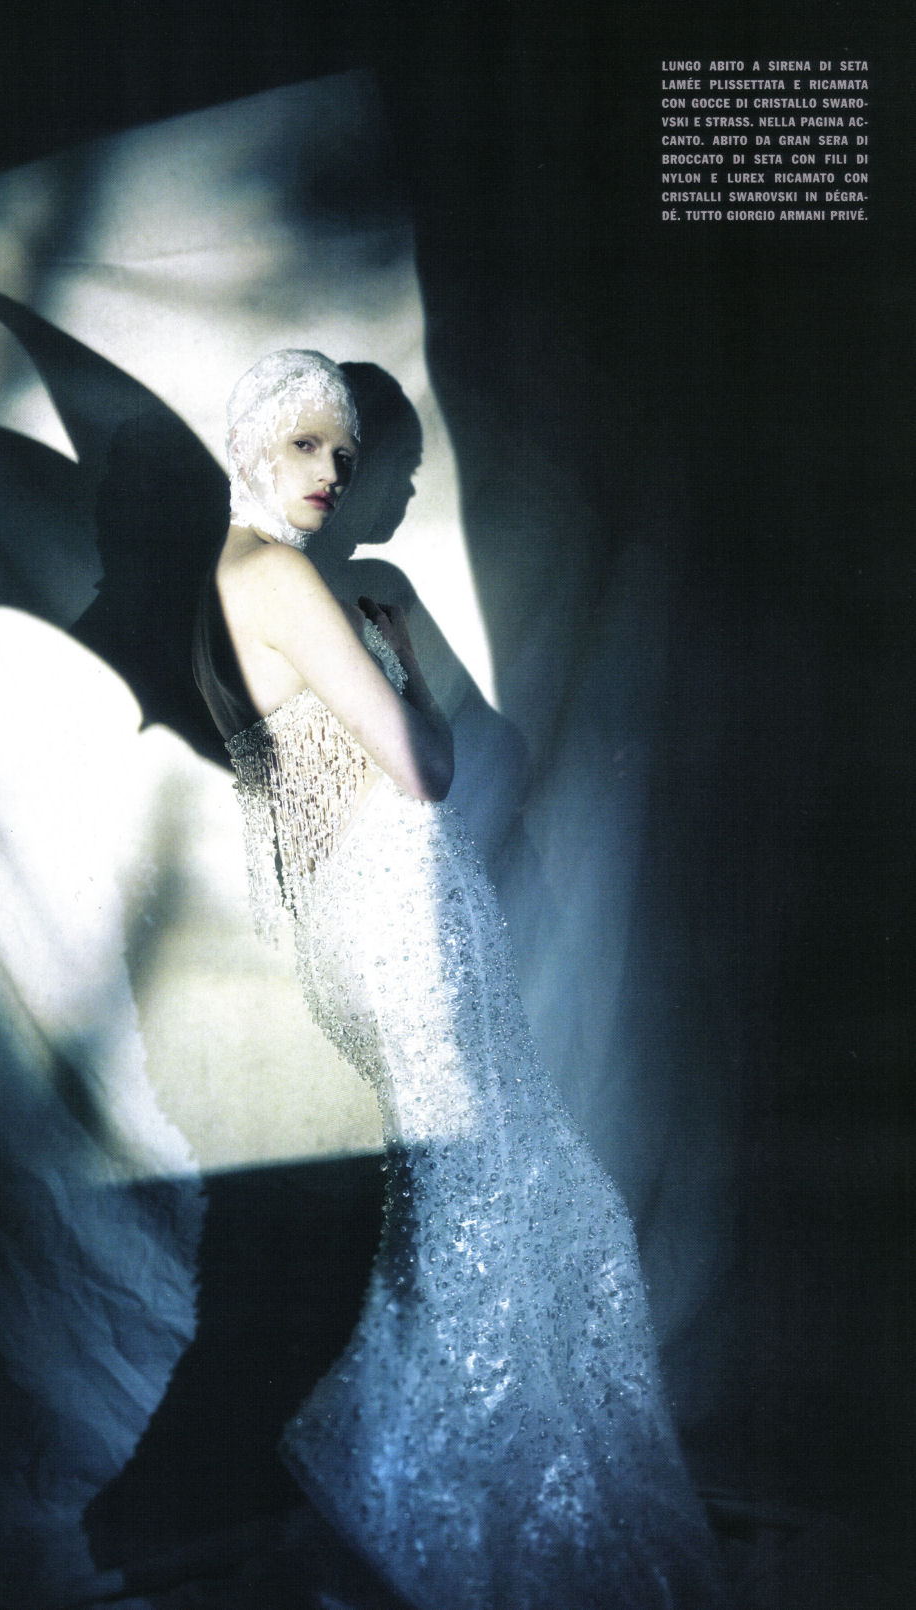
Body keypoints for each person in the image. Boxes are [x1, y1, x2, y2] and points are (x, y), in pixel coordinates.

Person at [193, 350, 718, 1609]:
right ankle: (395, 1520)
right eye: (309, 443)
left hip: (384, 922)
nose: (337, 472)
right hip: (396, 927)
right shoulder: (278, 576)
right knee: (489, 1221)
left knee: (497, 1212)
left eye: (348, 453)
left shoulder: (240, 584)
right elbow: (425, 763)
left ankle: (465, 1531)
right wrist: (404, 668)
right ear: (254, 439)